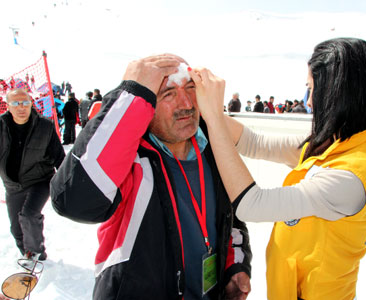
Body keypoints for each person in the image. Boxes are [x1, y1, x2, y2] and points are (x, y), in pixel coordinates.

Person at [190, 37, 366, 300]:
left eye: (311, 89)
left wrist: (214, 118)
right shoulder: (340, 144)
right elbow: (255, 143)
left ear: (335, 93)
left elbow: (253, 204)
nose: (308, 99)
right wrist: (203, 107)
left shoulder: (353, 175)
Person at [50, 54, 252, 300]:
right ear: (144, 104)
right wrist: (129, 93)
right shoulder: (128, 160)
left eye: (191, 89)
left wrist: (235, 266)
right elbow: (74, 200)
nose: (186, 103)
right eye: (168, 94)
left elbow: (232, 219)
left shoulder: (213, 150)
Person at [0, 88, 65, 262]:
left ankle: (37, 254)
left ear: (31, 103)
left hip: (40, 180)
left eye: (25, 102)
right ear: (8, 106)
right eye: (16, 103)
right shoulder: (1, 126)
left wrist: (68, 183)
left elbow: (59, 157)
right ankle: (26, 254)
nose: (21, 107)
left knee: (29, 215)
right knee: (16, 229)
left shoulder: (45, 126)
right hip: (12, 184)